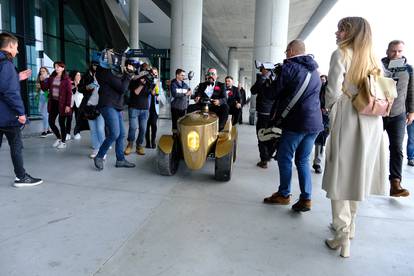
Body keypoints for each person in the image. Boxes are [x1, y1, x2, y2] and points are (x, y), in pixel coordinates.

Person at [322, 17, 387, 258]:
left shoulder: (341, 54)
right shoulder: (373, 58)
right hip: (372, 122)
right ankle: (350, 230)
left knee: (340, 175)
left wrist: (331, 111)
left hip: (349, 118)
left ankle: (341, 235)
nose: (337, 32)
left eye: (342, 28)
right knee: (357, 174)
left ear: (352, 32)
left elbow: (331, 93)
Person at [262, 39, 323, 212]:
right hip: (314, 123)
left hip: (296, 123)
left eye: (286, 51)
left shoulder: (289, 68)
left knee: (284, 157)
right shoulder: (315, 71)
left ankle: (284, 194)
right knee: (303, 160)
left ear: (291, 51)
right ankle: (306, 198)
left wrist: (267, 77)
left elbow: (270, 94)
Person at [0, 32, 43, 186]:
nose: (17, 51)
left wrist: (16, 77)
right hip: (8, 116)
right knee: (16, 146)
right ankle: (21, 177)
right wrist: (21, 113)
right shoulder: (6, 64)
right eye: (16, 47)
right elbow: (9, 92)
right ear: (10, 45)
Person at [381, 40, 413, 196]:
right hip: (378, 113)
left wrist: (411, 111)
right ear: (387, 51)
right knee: (370, 145)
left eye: (400, 51)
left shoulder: (408, 69)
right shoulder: (379, 66)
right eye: (393, 51)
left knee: (396, 148)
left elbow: (411, 91)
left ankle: (395, 183)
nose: (397, 54)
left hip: (398, 114)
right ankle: (362, 178)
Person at [93, 57, 134, 170]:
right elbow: (122, 88)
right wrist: (129, 74)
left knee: (121, 134)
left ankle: (120, 160)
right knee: (115, 133)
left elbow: (123, 85)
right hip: (108, 105)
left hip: (116, 106)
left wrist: (127, 74)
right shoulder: (106, 72)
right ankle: (99, 156)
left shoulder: (113, 72)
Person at [40, 61, 73, 149]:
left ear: (63, 68)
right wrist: (42, 81)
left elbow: (69, 93)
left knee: (62, 123)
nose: (56, 68)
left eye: (58, 67)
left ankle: (63, 142)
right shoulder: (51, 78)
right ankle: (59, 138)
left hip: (62, 104)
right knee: (51, 122)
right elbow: (44, 88)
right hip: (53, 103)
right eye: (55, 66)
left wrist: (68, 105)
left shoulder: (66, 79)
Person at [251, 66, 277, 169]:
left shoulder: (270, 80)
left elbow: (254, 90)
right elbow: (253, 90)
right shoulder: (275, 79)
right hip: (271, 113)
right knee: (269, 135)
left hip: (266, 113)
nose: (262, 71)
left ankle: (264, 159)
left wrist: (262, 77)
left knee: (261, 135)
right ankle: (267, 156)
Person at [79, 62, 105, 158]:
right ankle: (96, 149)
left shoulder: (104, 77)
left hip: (101, 107)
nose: (96, 67)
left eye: (97, 65)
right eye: (94, 65)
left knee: (100, 129)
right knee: (93, 130)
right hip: (89, 106)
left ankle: (103, 150)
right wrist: (87, 87)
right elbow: (80, 88)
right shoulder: (87, 76)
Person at [124, 65, 152, 156]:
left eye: (147, 71)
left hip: (145, 108)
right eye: (144, 71)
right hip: (134, 108)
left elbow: (151, 93)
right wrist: (141, 84)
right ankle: (130, 144)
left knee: (143, 129)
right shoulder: (134, 80)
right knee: (133, 127)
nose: (145, 73)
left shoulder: (149, 81)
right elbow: (136, 93)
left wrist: (154, 88)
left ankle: (139, 145)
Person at [312, 74, 330, 174]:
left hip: (330, 117)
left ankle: (317, 162)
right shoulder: (321, 87)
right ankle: (316, 162)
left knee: (321, 139)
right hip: (320, 116)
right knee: (319, 139)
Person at [145, 67, 160, 148]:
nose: (155, 74)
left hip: (155, 107)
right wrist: (154, 86)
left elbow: (159, 93)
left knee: (154, 124)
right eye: (153, 73)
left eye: (156, 72)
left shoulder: (158, 82)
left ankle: (153, 141)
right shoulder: (147, 82)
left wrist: (159, 96)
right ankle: (147, 142)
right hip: (147, 106)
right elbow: (149, 92)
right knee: (146, 125)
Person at [36, 67, 52, 137]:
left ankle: (45, 130)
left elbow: (46, 89)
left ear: (47, 72)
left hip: (47, 97)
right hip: (41, 96)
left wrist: (42, 81)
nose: (42, 72)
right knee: (44, 113)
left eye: (43, 71)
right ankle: (49, 130)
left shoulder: (48, 79)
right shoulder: (40, 79)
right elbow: (38, 90)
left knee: (45, 114)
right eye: (41, 71)